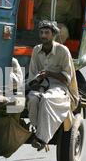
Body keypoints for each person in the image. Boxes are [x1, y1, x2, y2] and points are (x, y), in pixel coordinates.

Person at [27, 20, 79, 150]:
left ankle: (42, 139)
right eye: (41, 32)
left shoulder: (63, 51)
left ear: (54, 34)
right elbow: (32, 73)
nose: (44, 35)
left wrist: (49, 74)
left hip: (59, 87)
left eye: (47, 32)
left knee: (46, 99)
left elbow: (67, 77)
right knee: (33, 98)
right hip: (41, 86)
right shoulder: (36, 50)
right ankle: (36, 128)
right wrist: (35, 81)